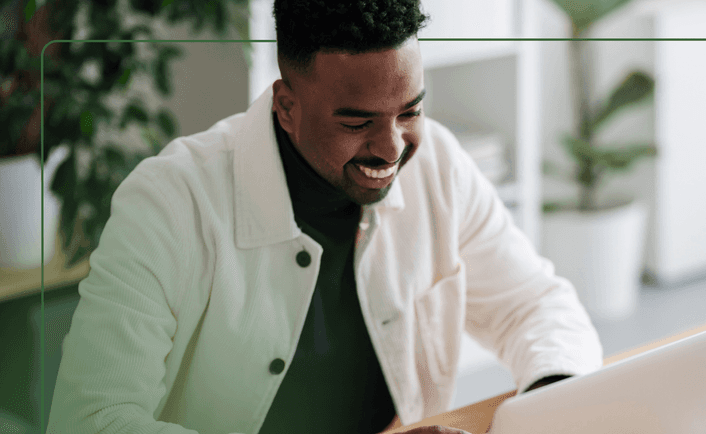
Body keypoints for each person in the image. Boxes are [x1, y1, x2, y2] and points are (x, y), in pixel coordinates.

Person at [47, 0, 604, 433]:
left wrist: (548, 396)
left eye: (409, 110)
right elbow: (93, 420)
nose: (391, 149)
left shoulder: (438, 162)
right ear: (286, 106)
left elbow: (535, 305)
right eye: (356, 122)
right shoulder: (168, 202)